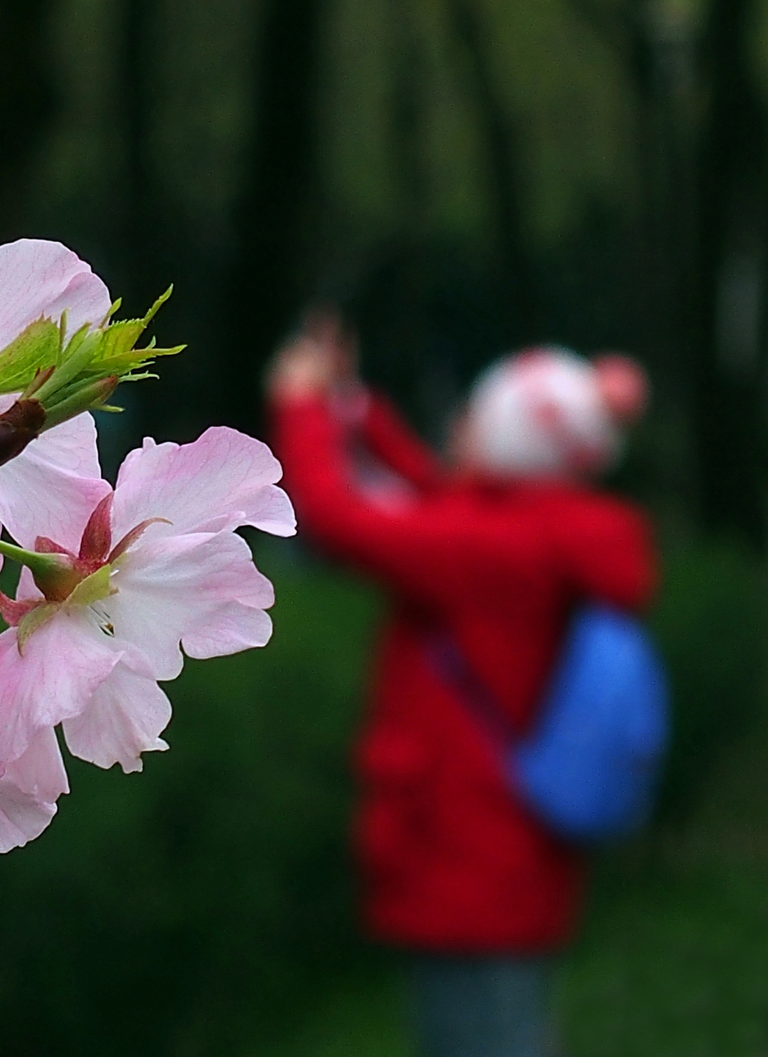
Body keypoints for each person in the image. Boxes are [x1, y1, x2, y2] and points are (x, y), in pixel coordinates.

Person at [266, 315, 656, 1057]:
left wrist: (300, 401)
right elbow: (431, 490)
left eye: (478, 413)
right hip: (508, 852)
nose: (460, 423)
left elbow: (339, 518)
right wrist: (349, 404)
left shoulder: (493, 549)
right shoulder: (538, 528)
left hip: (467, 861)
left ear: (514, 436)